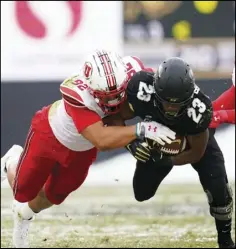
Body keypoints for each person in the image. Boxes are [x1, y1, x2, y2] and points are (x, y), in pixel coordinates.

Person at [1, 50, 176, 248]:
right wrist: (141, 129)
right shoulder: (78, 94)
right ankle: (11, 161)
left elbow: (145, 100)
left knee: (54, 195)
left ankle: (23, 215)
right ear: (90, 86)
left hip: (82, 149)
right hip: (49, 135)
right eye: (106, 97)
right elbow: (101, 139)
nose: (113, 102)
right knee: (23, 191)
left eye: (118, 94)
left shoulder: (136, 74)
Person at [121, 57, 234, 248]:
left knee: (217, 185)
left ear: (190, 96)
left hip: (191, 138)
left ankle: (225, 239)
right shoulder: (141, 88)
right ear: (155, 91)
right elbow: (116, 119)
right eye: (166, 103)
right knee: (141, 193)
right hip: (157, 141)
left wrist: (167, 161)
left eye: (177, 103)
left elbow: (197, 153)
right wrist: (131, 143)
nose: (171, 108)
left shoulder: (199, 109)